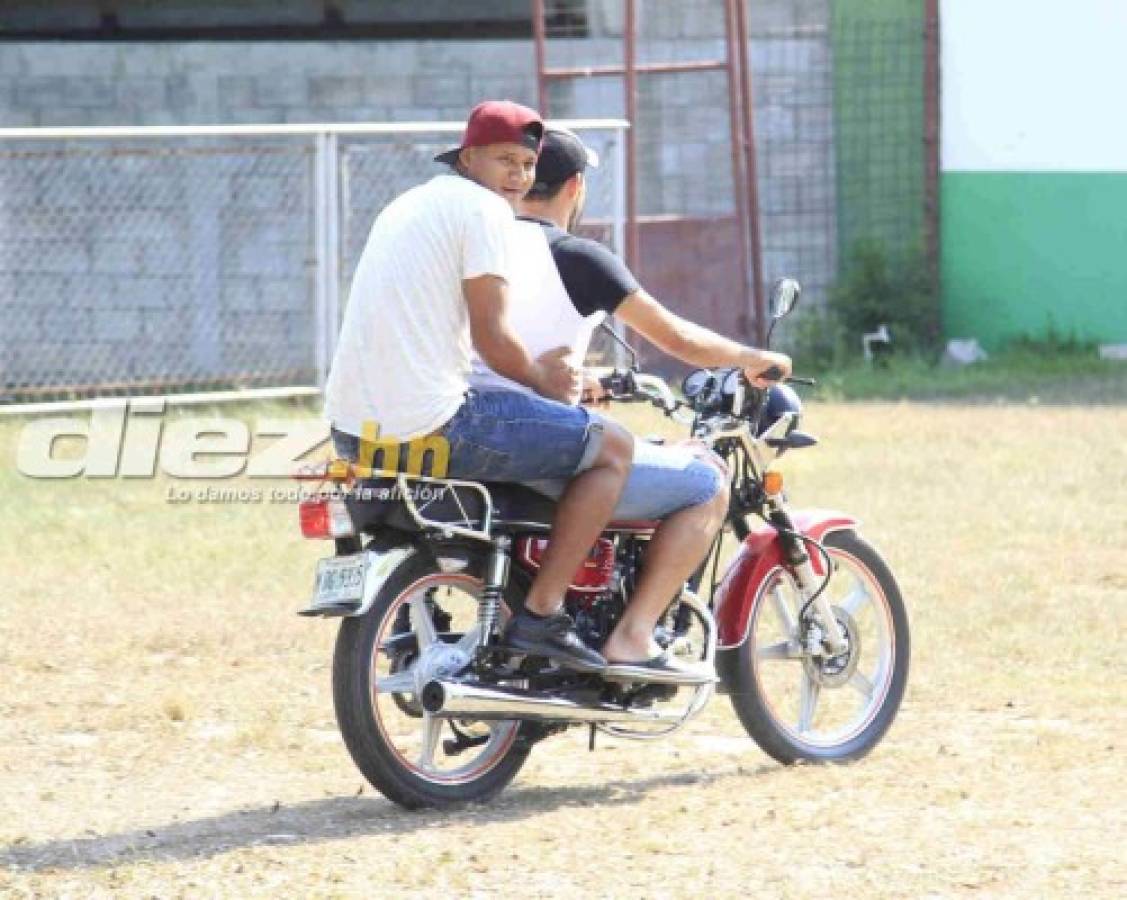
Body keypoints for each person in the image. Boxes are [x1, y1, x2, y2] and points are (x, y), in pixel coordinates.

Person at [470, 126, 792, 681]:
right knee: (706, 480)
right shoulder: (580, 258)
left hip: (472, 421)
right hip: (537, 439)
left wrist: (582, 380)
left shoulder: (478, 244)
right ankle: (634, 634)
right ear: (574, 187)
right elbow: (678, 340)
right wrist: (751, 357)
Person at [323, 101, 634, 674]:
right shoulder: (487, 213)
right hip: (432, 423)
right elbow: (493, 340)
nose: (517, 176)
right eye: (504, 160)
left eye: (526, 164)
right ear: (468, 158)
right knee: (613, 448)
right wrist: (548, 380)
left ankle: (420, 617)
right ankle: (544, 613)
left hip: (349, 429)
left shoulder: (410, 203)